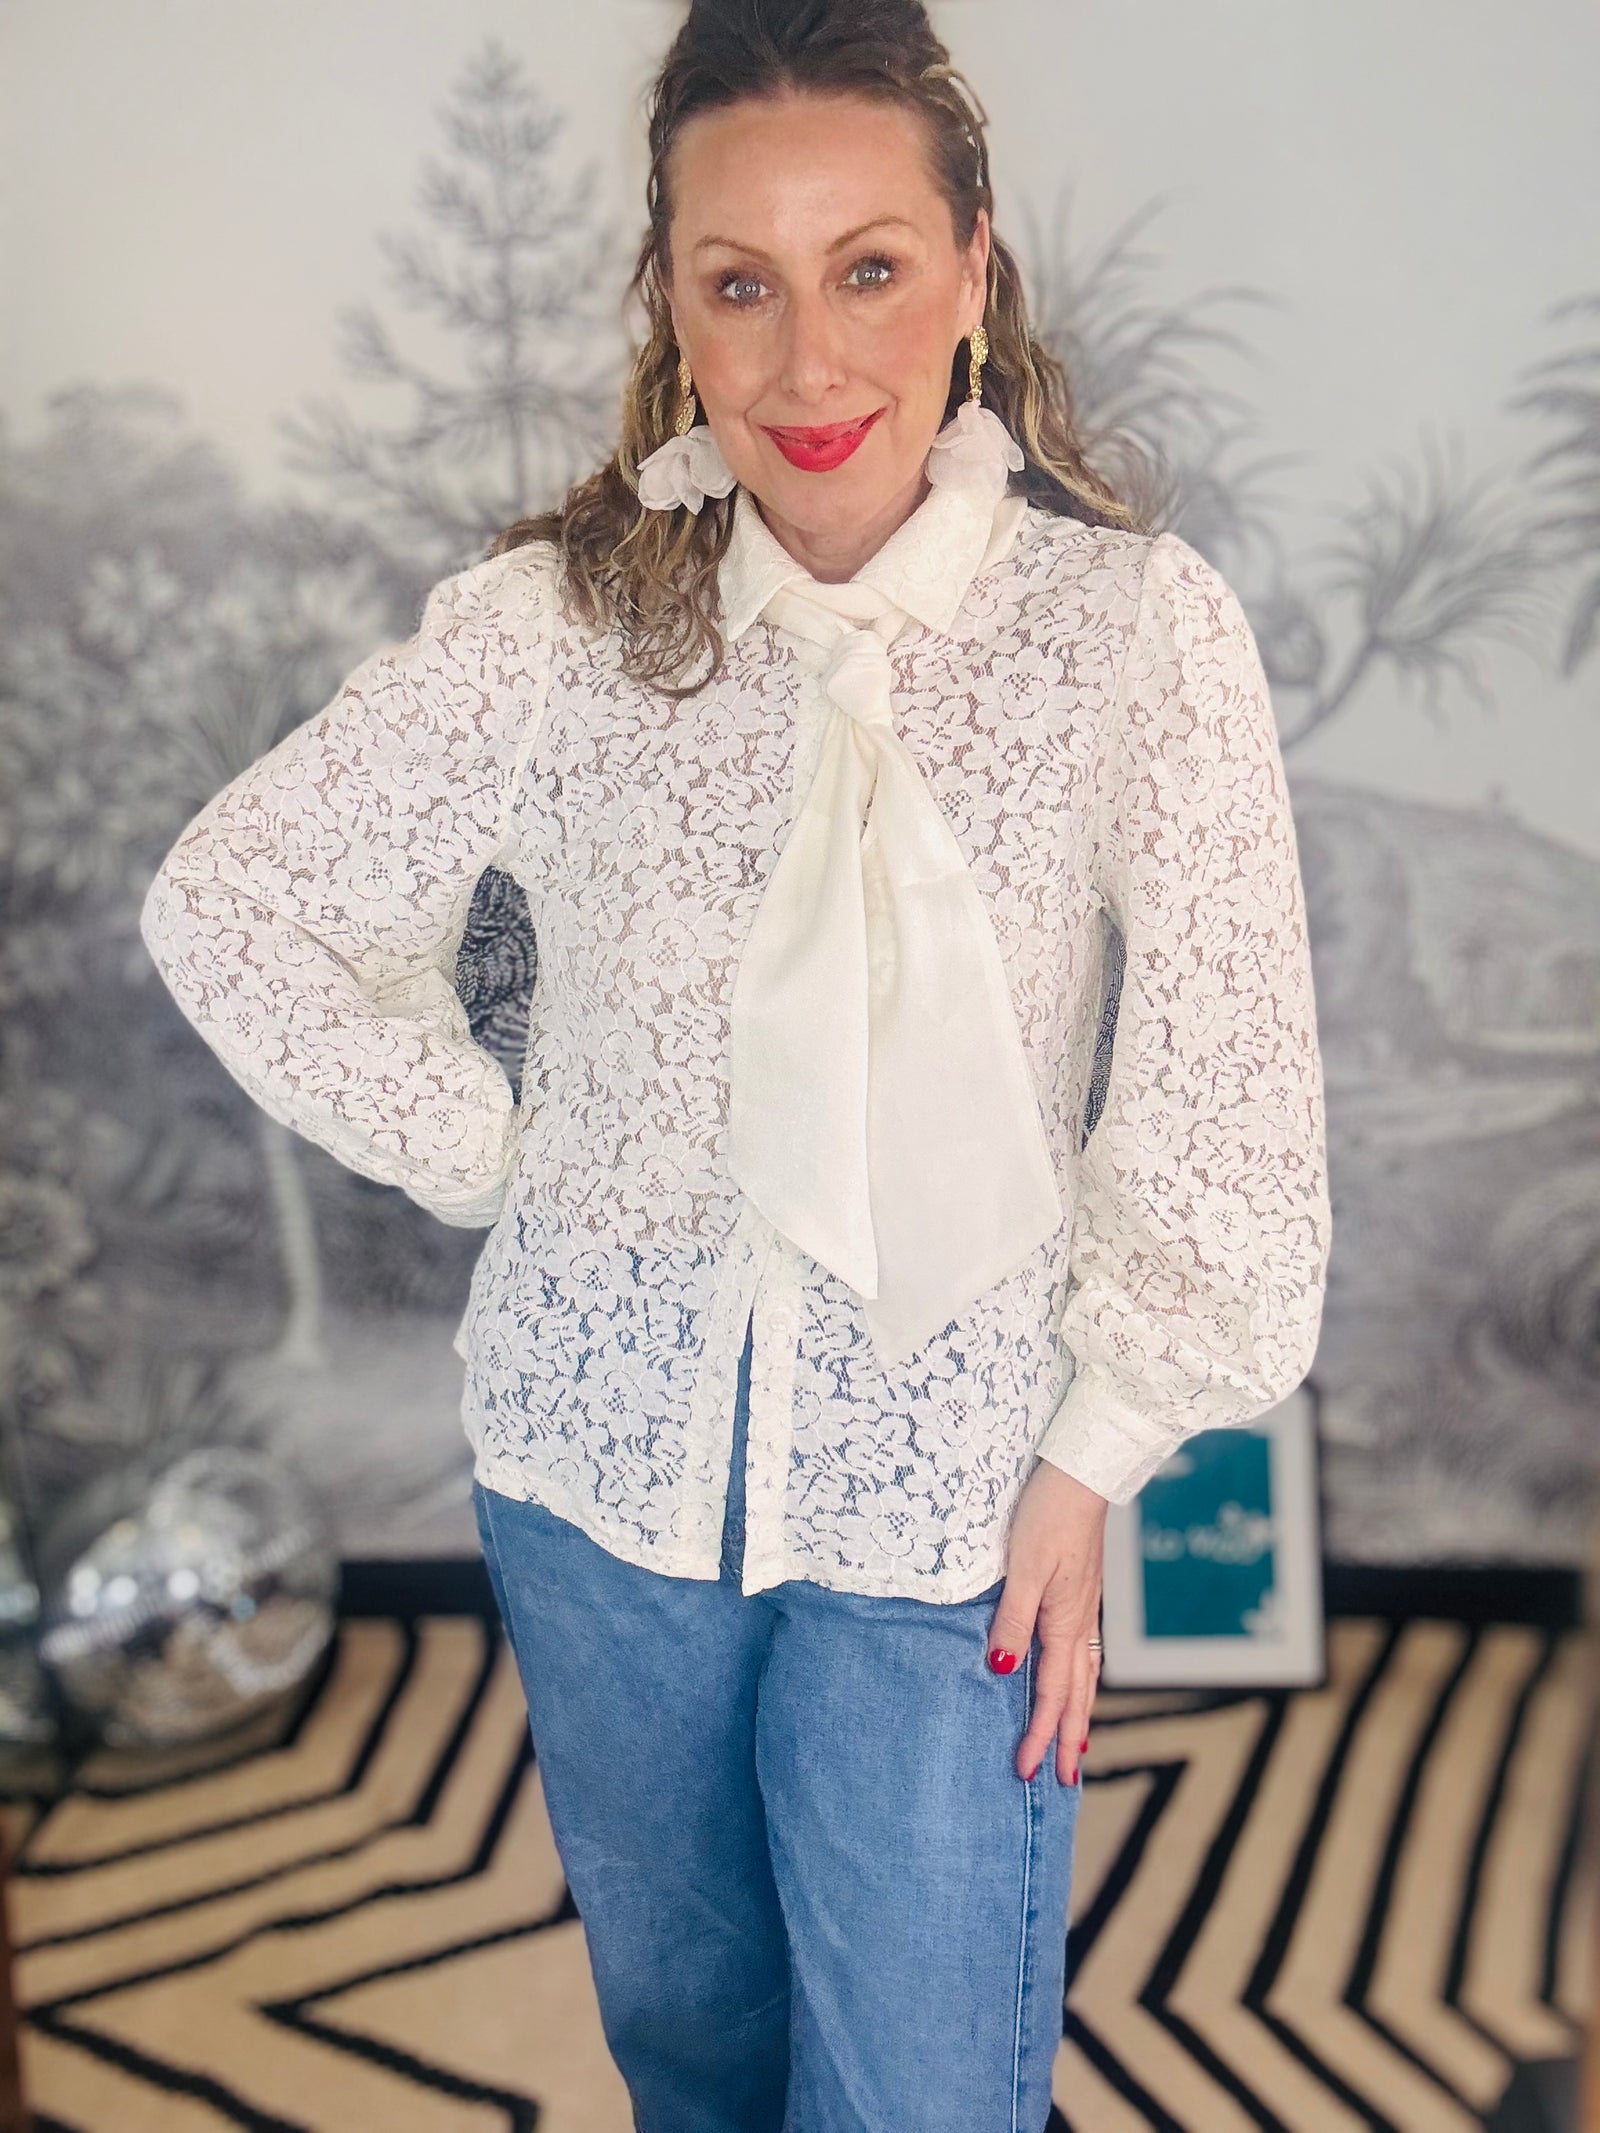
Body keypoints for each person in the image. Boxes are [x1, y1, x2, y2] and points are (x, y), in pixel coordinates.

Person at [139, 0, 1333, 2124]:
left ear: (970, 269)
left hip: (954, 1506)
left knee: (916, 2095)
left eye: (868, 267)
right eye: (739, 283)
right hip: (596, 1493)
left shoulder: (1132, 637)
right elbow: (237, 901)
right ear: (671, 304)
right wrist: (489, 1142)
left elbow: (1224, 1093)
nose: (807, 362)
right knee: (691, 2062)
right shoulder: (556, 631)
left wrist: (1096, 1452)